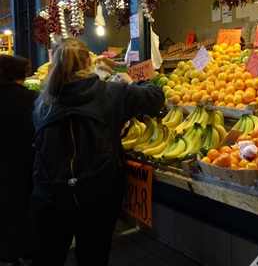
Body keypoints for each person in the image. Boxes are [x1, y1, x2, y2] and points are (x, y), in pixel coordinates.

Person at [31, 38, 165, 266]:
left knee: (48, 258)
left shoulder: (42, 102)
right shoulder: (112, 92)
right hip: (99, 192)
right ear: (88, 61)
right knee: (94, 256)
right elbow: (155, 97)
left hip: (50, 195)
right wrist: (131, 80)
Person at [0, 55, 38, 266]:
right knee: (26, 208)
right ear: (22, 75)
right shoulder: (33, 98)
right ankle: (28, 250)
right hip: (26, 164)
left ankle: (7, 255)